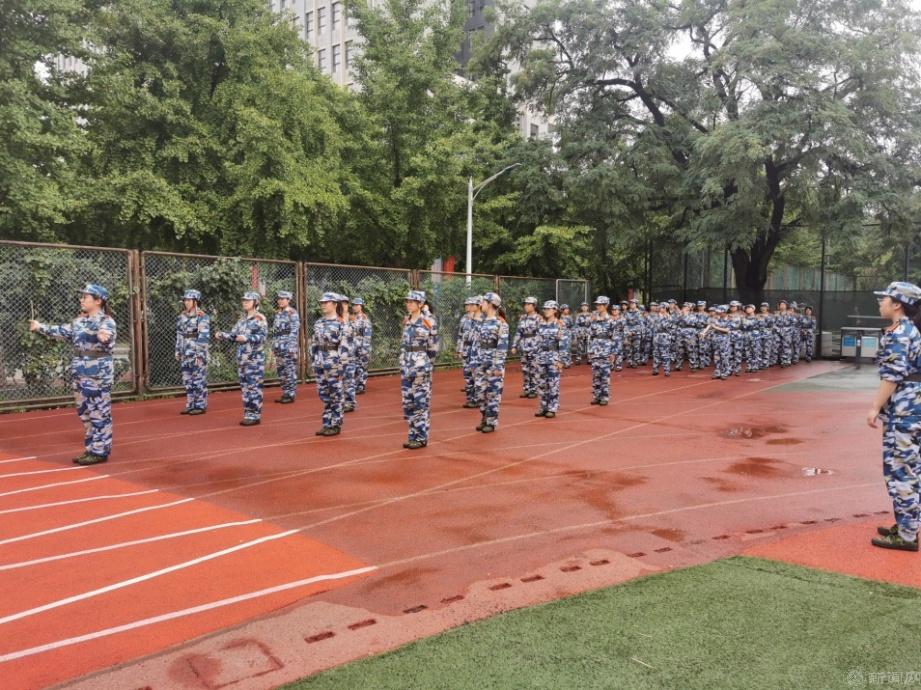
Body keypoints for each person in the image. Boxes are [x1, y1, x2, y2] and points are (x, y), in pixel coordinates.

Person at [29, 283, 117, 465]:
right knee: (84, 412)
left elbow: (107, 339)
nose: (81, 300)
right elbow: (61, 331)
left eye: (85, 297)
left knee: (99, 412)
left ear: (98, 301)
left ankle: (100, 451)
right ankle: (91, 448)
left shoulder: (106, 321)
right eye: (81, 296)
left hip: (97, 374)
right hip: (80, 373)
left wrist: (104, 337)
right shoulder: (79, 322)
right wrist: (39, 326)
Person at [866, 281, 921, 552]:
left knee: (902, 471)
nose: (881, 303)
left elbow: (892, 375)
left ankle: (908, 535)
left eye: (885, 299)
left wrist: (875, 407)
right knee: (904, 468)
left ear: (897, 304)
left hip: (904, 411)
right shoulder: (907, 329)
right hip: (908, 410)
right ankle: (906, 525)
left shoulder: (900, 333)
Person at [215, 291, 267, 426]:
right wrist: (223, 335)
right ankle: (248, 413)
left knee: (254, 387)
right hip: (242, 359)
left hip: (254, 359)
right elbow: (234, 335)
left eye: (248, 301)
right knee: (245, 388)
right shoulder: (242, 320)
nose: (244, 302)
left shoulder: (259, 318)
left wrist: (247, 338)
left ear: (255, 302)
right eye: (243, 300)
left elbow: (262, 337)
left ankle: (255, 415)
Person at [401, 290, 439, 448]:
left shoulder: (428, 322)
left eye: (412, 301)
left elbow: (433, 347)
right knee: (408, 403)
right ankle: (412, 435)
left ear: (421, 304)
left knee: (420, 402)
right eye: (407, 301)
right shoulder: (407, 321)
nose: (408, 304)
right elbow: (404, 344)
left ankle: (421, 437)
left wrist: (427, 364)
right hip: (406, 367)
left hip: (421, 367)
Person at [311, 293, 349, 436]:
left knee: (336, 395)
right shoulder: (318, 323)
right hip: (320, 363)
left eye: (326, 302)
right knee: (324, 394)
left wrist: (341, 367)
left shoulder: (341, 323)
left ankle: (335, 424)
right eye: (322, 302)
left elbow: (344, 347)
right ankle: (327, 423)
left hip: (334, 364)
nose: (323, 305)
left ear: (334, 304)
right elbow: (314, 343)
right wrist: (314, 360)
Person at [474, 292, 509, 432]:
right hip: (480, 362)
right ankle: (484, 417)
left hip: (493, 363)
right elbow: (476, 343)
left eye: (483, 302)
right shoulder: (481, 322)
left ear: (490, 304)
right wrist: (473, 362)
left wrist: (498, 366)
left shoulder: (501, 323)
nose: (481, 304)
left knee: (493, 393)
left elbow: (502, 346)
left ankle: (491, 421)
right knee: (480, 392)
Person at [175, 289, 210, 415]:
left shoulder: (202, 316)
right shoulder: (182, 316)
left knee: (198, 380)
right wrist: (178, 350)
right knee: (187, 380)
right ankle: (190, 404)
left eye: (189, 300)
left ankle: (200, 405)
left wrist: (199, 354)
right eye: (185, 300)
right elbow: (179, 334)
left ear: (196, 301)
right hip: (185, 353)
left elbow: (204, 337)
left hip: (197, 354)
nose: (186, 302)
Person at [535, 300, 566, 418]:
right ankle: (543, 407)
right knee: (542, 384)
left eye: (548, 309)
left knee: (553, 384)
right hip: (541, 357)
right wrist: (536, 357)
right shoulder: (540, 324)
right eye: (545, 309)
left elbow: (563, 344)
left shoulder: (560, 324)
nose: (546, 311)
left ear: (555, 310)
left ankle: (552, 408)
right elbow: (537, 342)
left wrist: (561, 360)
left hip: (553, 357)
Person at [272, 290, 300, 404]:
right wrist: (274, 346)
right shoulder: (278, 313)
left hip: (288, 346)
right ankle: (285, 392)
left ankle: (291, 394)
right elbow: (275, 331)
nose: (280, 301)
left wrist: (290, 347)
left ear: (288, 300)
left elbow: (294, 330)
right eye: (279, 299)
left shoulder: (292, 313)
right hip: (278, 346)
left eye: (283, 299)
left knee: (289, 370)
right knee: (281, 371)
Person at [511, 297, 540, 399]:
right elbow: (518, 332)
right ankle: (526, 389)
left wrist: (539, 347)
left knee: (534, 369)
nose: (526, 306)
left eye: (528, 304)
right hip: (523, 346)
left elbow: (541, 334)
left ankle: (534, 390)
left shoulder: (538, 318)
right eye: (525, 304)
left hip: (534, 347)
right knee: (525, 369)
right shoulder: (522, 318)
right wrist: (514, 345)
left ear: (534, 306)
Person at [588, 297, 616, 405]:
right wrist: (590, 351)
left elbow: (614, 337)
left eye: (600, 305)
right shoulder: (594, 320)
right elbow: (590, 336)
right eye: (597, 304)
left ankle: (604, 397)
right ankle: (596, 396)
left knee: (605, 375)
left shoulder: (611, 321)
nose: (598, 306)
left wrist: (613, 352)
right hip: (595, 350)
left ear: (606, 305)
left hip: (606, 350)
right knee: (596, 375)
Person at [456, 296, 481, 408]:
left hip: (476, 350)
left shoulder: (482, 318)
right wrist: (459, 349)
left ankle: (478, 399)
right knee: (467, 375)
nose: (468, 307)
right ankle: (470, 398)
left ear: (478, 306)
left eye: (471, 305)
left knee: (477, 375)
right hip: (466, 349)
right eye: (467, 305)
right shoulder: (464, 318)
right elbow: (460, 335)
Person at [702, 305, 732, 380]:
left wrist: (716, 327)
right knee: (716, 356)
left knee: (724, 356)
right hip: (716, 340)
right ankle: (718, 372)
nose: (718, 313)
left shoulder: (729, 319)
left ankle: (725, 372)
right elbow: (710, 325)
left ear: (725, 312)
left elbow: (727, 330)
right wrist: (704, 332)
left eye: (720, 312)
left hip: (724, 340)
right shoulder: (717, 318)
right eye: (718, 312)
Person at [651, 302, 676, 376]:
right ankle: (655, 369)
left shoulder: (670, 317)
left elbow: (669, 327)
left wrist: (670, 336)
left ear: (666, 308)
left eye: (662, 307)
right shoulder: (657, 316)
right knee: (656, 353)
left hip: (665, 337)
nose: (660, 309)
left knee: (665, 354)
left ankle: (666, 370)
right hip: (657, 336)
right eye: (660, 307)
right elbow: (657, 326)